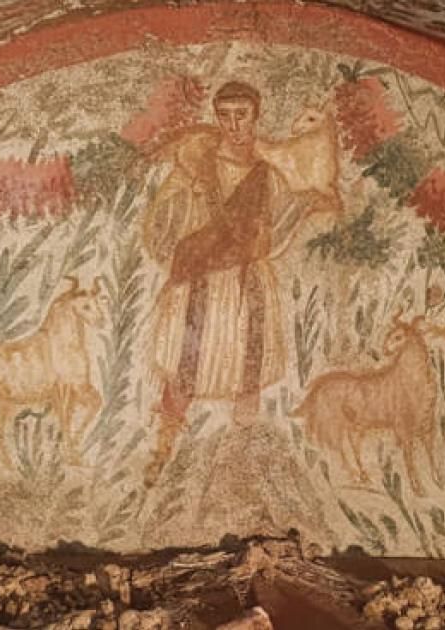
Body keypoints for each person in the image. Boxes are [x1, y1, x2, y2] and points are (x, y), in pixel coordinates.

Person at [140, 81, 326, 486]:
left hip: (247, 284)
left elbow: (276, 228)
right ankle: (161, 453)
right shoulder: (196, 168)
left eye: (241, 115)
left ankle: (242, 464)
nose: (233, 125)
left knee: (249, 369)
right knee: (183, 368)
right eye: (225, 116)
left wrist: (309, 205)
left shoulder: (266, 175)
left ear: (256, 117)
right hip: (200, 281)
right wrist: (184, 194)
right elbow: (162, 225)